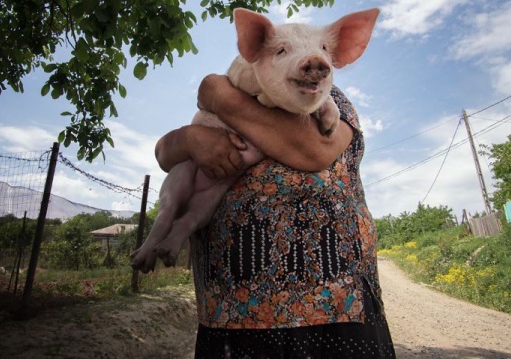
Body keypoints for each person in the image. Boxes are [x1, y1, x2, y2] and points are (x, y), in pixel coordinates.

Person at [155, 74, 395, 358]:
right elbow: (163, 154)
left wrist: (220, 95)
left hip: (332, 311)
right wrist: (189, 137)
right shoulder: (230, 98)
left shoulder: (325, 97)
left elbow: (314, 150)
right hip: (227, 311)